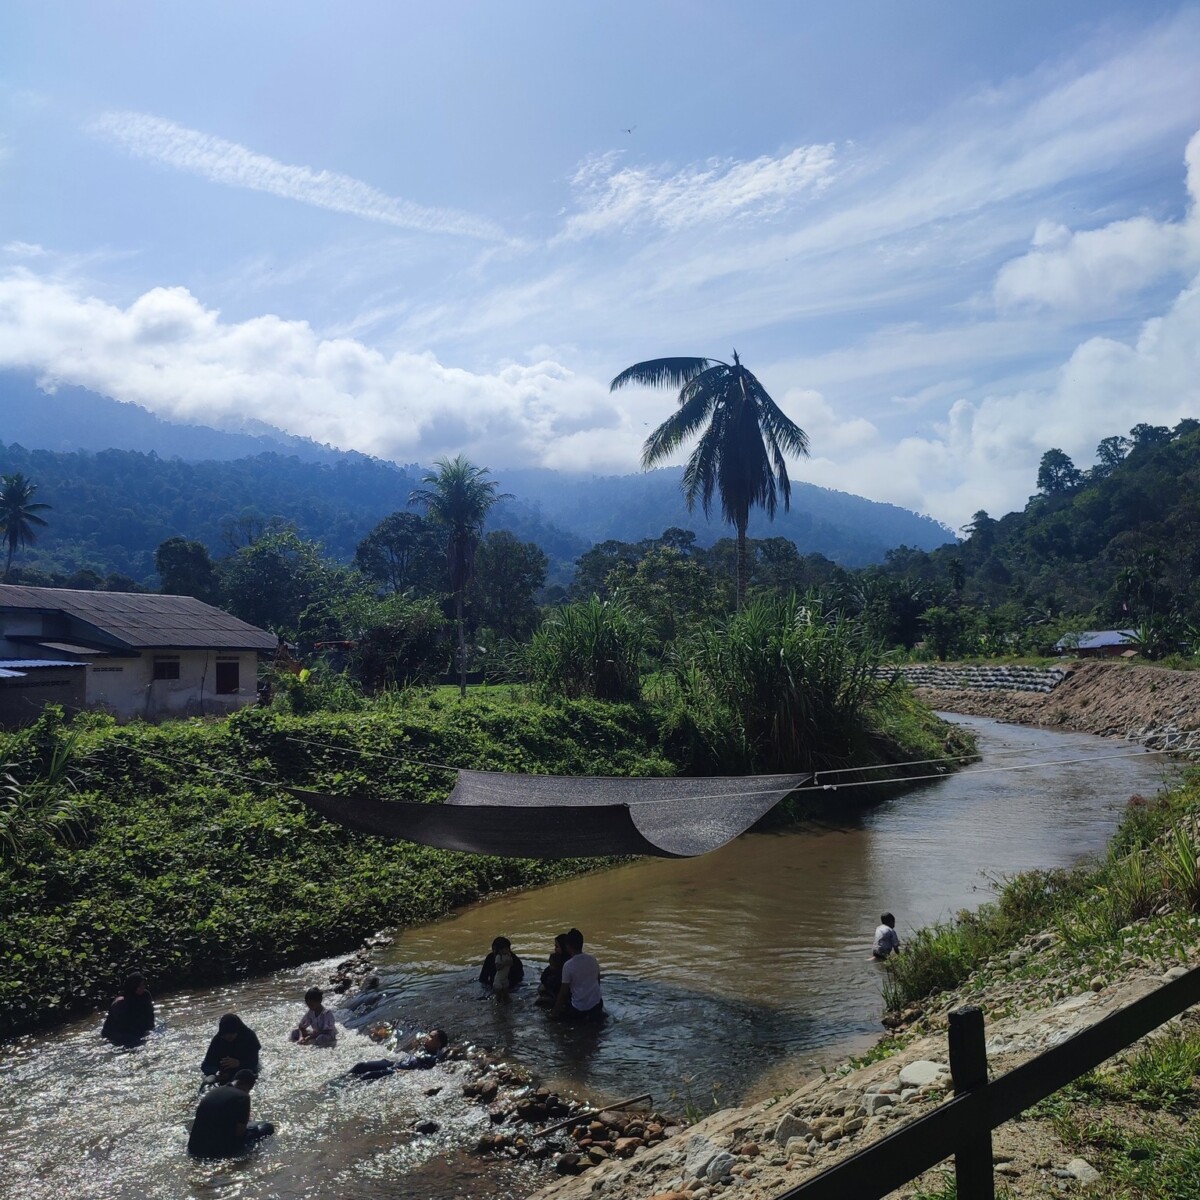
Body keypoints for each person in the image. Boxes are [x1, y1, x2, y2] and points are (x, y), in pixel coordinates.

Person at [187, 1068, 274, 1158]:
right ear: (248, 1087)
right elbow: (240, 1132)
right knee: (266, 1127)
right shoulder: (243, 1097)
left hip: (194, 1148)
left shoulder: (213, 1092)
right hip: (218, 1152)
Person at [348, 1030, 450, 1080]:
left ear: (438, 1044)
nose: (427, 1038)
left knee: (368, 1076)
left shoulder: (432, 1058)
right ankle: (340, 1079)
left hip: (397, 1071)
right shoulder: (421, 1047)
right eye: (428, 1035)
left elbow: (423, 1071)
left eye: (431, 1037)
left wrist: (406, 1072)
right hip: (393, 1064)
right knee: (360, 1066)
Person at [552, 928, 603, 1022]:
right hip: (597, 1004)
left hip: (579, 1008)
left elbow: (563, 993)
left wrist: (554, 1012)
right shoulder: (593, 960)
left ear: (568, 946)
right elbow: (598, 982)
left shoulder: (568, 965)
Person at [201, 1013, 262, 1084]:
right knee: (208, 1081)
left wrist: (238, 1063)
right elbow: (206, 1065)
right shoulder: (218, 1040)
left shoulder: (249, 1037)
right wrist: (217, 1072)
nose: (228, 1038)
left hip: (244, 1070)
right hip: (221, 1073)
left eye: (231, 1036)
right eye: (225, 1036)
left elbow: (253, 1063)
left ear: (237, 1031)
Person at [101, 972, 155, 1046]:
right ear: (132, 986)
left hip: (138, 1030)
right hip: (119, 1035)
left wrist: (148, 1030)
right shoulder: (120, 1003)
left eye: (143, 984)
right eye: (139, 985)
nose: (142, 987)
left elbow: (150, 1016)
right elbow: (113, 1027)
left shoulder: (145, 996)